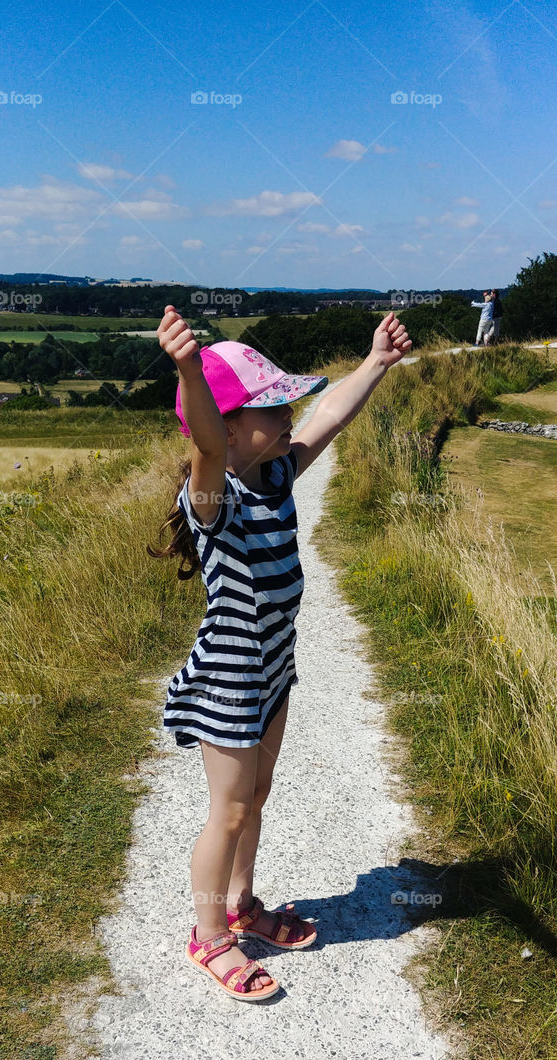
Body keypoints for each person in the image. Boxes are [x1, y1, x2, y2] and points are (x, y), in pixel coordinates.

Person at [148, 305, 412, 1002]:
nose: (289, 413)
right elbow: (206, 442)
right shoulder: (215, 493)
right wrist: (185, 367)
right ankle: (209, 936)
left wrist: (374, 364)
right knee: (227, 811)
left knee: (257, 796)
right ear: (230, 427)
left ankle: (242, 903)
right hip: (231, 678)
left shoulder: (272, 474)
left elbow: (331, 417)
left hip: (272, 670)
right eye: (271, 406)